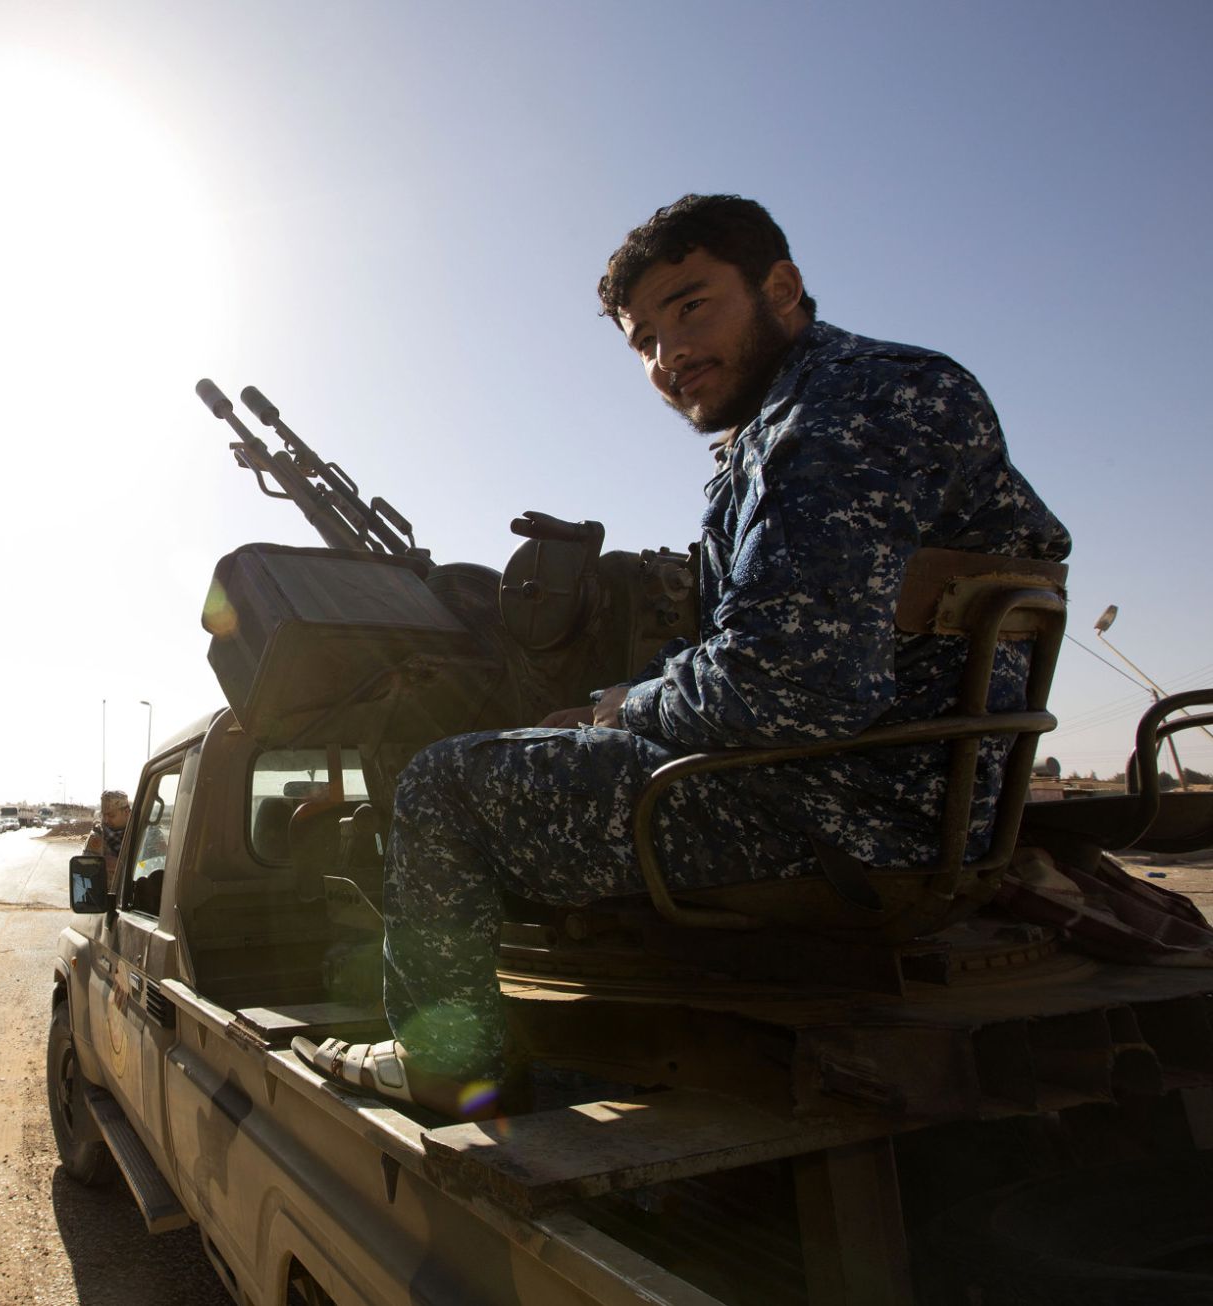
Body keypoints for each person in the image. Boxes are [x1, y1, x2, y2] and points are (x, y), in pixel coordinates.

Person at [294, 194, 1071, 1119]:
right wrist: (625, 704)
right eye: (645, 339)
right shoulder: (850, 402)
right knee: (549, 743)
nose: (669, 355)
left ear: (780, 287)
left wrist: (620, 707)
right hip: (905, 792)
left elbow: (791, 682)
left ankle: (447, 1068)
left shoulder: (836, 413)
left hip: (838, 806)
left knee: (443, 785)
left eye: (692, 306)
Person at [84, 790, 131, 886]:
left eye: (111, 815)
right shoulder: (97, 836)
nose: (106, 820)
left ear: (126, 812)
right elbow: (87, 871)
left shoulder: (141, 833)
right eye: (103, 815)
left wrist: (121, 865)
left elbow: (154, 864)